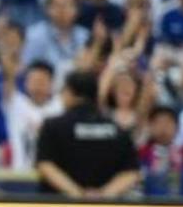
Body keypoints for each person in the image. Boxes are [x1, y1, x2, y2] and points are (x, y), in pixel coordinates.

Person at [36, 70, 139, 198]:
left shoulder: (52, 127)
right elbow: (131, 172)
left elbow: (45, 164)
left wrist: (78, 194)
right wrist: (103, 194)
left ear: (70, 93)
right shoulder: (118, 130)